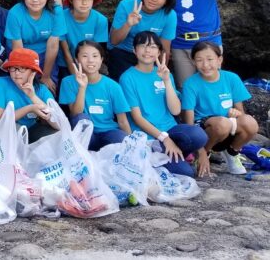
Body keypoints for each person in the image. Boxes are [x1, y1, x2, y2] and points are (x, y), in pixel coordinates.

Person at [119, 31, 207, 178]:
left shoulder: (164, 74)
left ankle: (174, 152)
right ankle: (161, 156)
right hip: (148, 137)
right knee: (187, 173)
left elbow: (176, 110)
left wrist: (166, 81)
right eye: (143, 46)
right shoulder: (127, 77)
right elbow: (137, 118)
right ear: (134, 50)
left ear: (159, 52)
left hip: (171, 129)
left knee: (198, 135)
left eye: (153, 47)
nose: (148, 51)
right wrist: (164, 139)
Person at [182, 41, 257, 176]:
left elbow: (241, 113)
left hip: (227, 127)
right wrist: (201, 151)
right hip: (205, 132)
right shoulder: (190, 84)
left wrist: (237, 113)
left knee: (250, 122)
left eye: (210, 59)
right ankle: (205, 153)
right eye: (199, 60)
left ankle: (232, 152)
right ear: (193, 62)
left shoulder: (231, 78)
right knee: (221, 124)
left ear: (219, 60)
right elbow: (189, 123)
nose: (205, 65)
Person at [58, 40, 131, 150]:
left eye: (95, 56)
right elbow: (75, 114)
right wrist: (82, 87)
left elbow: (122, 121)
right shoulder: (68, 82)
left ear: (101, 59)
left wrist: (132, 144)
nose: (90, 60)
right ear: (77, 60)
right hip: (84, 135)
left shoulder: (113, 86)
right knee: (81, 119)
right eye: (85, 56)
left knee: (122, 139)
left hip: (108, 132)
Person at [107, 0, 177, 81]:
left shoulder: (169, 15)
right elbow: (114, 41)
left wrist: (161, 72)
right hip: (123, 52)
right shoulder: (127, 5)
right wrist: (128, 24)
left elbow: (164, 49)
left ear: (167, 1)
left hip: (149, 56)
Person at [4, 0, 66, 94]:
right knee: (23, 86)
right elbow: (18, 48)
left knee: (48, 87)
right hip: (21, 53)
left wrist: (46, 76)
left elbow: (53, 45)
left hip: (45, 53)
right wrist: (24, 75)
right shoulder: (15, 13)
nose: (35, 0)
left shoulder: (56, 11)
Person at [0, 48, 58, 142]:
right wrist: (30, 108)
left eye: (23, 68)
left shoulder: (41, 89)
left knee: (56, 135)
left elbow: (59, 123)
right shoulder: (1, 83)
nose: (17, 72)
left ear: (33, 72)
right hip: (8, 133)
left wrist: (33, 97)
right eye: (13, 68)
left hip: (33, 130)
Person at [58, 0, 108, 78]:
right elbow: (66, 52)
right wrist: (76, 76)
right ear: (71, 0)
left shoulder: (100, 20)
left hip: (90, 62)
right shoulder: (61, 17)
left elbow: (99, 50)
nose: (84, 2)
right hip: (66, 63)